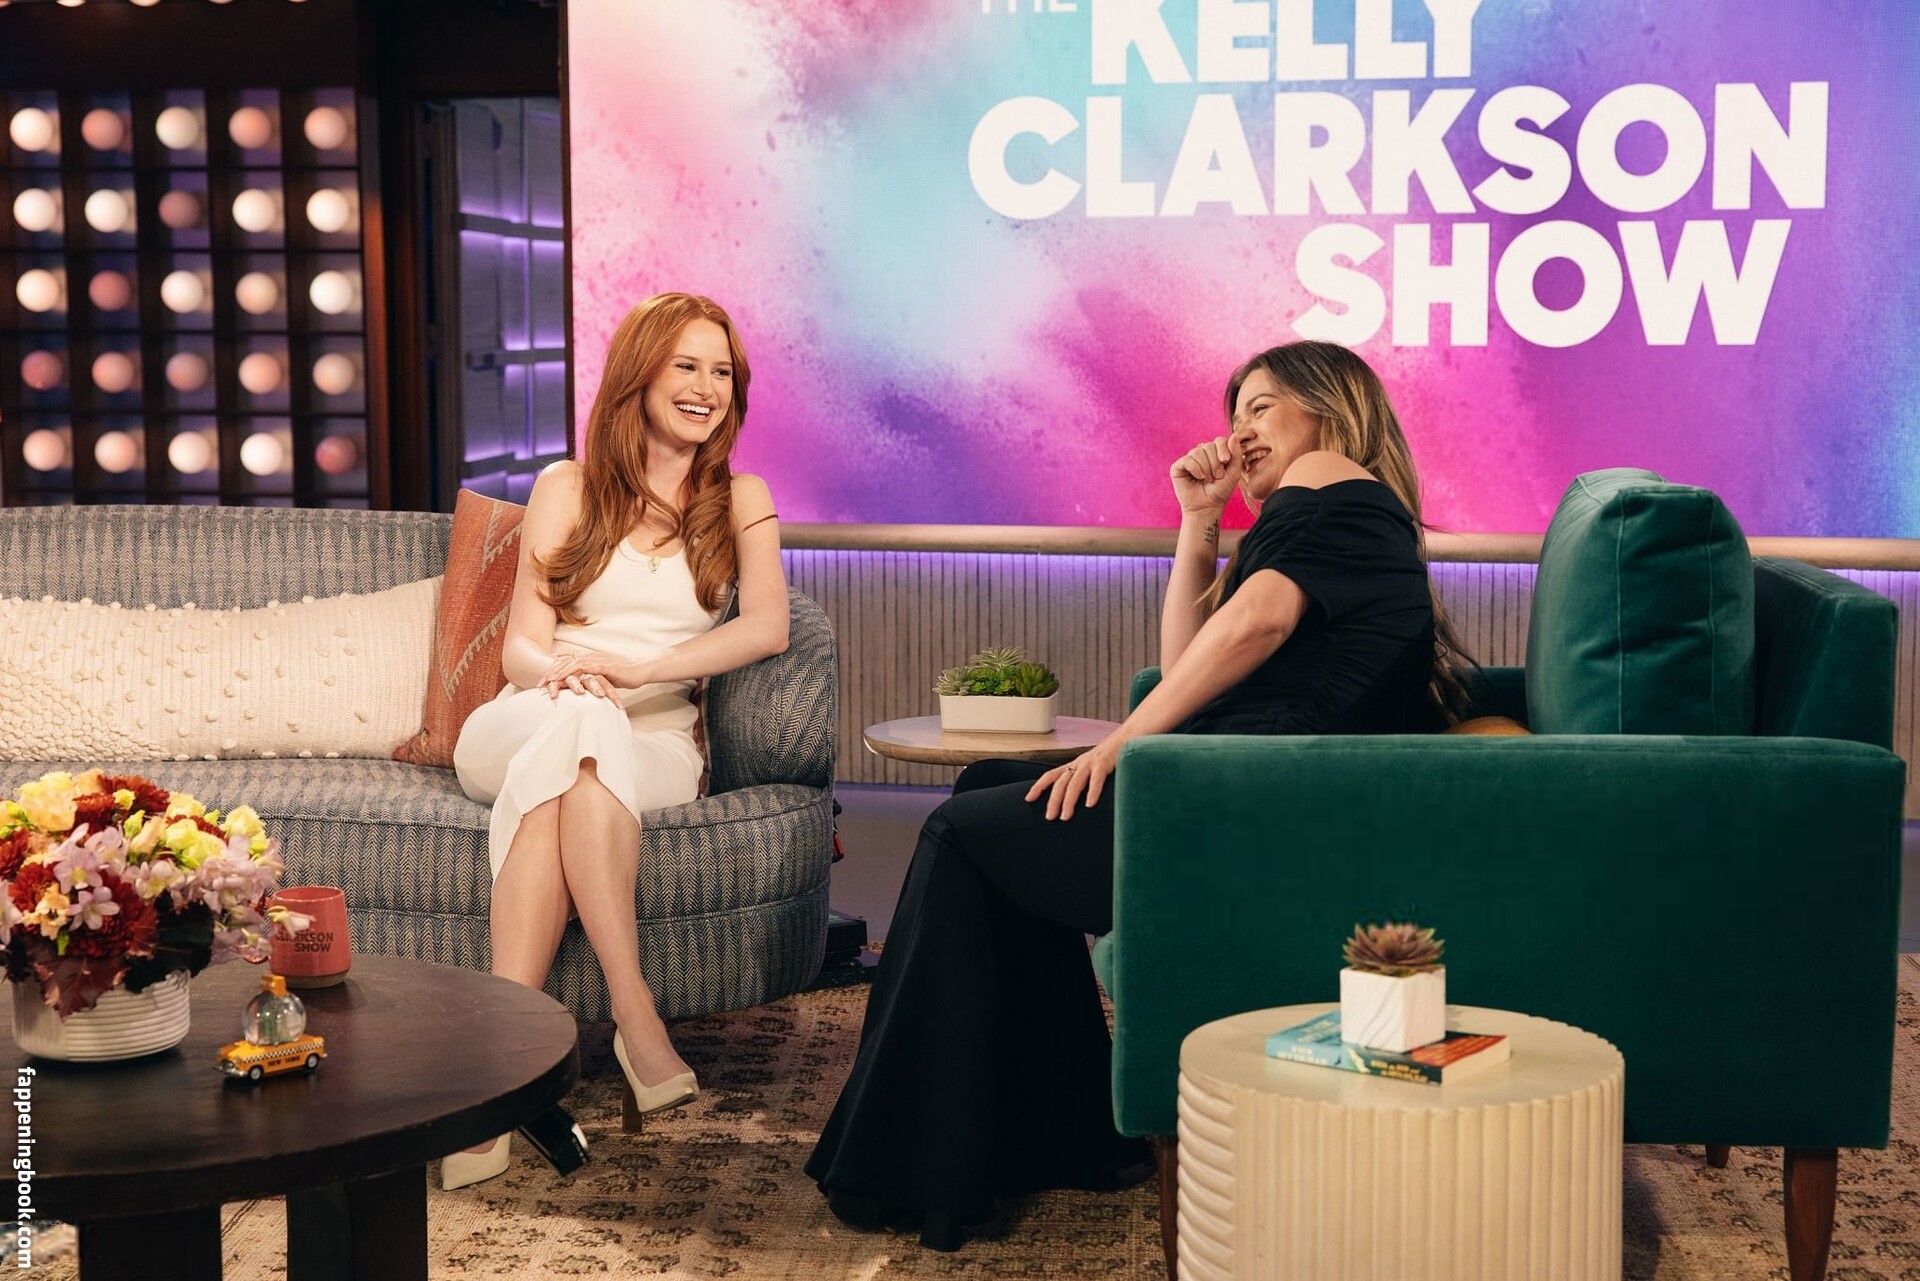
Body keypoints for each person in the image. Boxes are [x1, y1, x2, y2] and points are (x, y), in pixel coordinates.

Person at [805, 340, 1472, 1249]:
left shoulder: (1327, 476)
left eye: (1262, 407)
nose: (1240, 430)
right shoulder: (1341, 517)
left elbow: (1255, 623)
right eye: (1235, 411)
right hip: (1243, 790)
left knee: (963, 831)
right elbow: (1189, 659)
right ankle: (1064, 1134)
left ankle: (925, 1164)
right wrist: (1200, 522)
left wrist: (1122, 744)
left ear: (1332, 410)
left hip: (1237, 809)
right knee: (987, 786)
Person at [444, 292, 789, 1190]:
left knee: (580, 761)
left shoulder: (741, 499)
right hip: (531, 717)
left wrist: (639, 672)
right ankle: (638, 1016)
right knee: (582, 725)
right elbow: (522, 646)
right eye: (687, 366)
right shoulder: (567, 486)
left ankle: (501, 1073)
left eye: (723, 371)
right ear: (640, 373)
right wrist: (569, 675)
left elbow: (768, 629)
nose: (707, 387)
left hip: (655, 742)